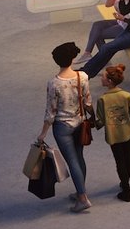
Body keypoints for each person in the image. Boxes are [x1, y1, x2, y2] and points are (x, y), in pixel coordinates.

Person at [40, 42, 95, 214]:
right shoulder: (82, 77)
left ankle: (82, 198)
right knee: (79, 158)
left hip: (62, 127)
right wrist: (93, 117)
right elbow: (87, 102)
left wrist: (42, 134)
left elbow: (50, 112)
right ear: (72, 59)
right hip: (79, 123)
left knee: (72, 162)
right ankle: (81, 190)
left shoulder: (54, 83)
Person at [96, 63, 130, 201]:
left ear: (109, 81)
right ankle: (126, 181)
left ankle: (126, 190)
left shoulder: (103, 99)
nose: (101, 78)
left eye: (102, 77)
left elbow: (101, 121)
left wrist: (91, 120)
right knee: (128, 158)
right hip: (128, 132)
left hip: (114, 135)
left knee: (119, 161)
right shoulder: (127, 96)